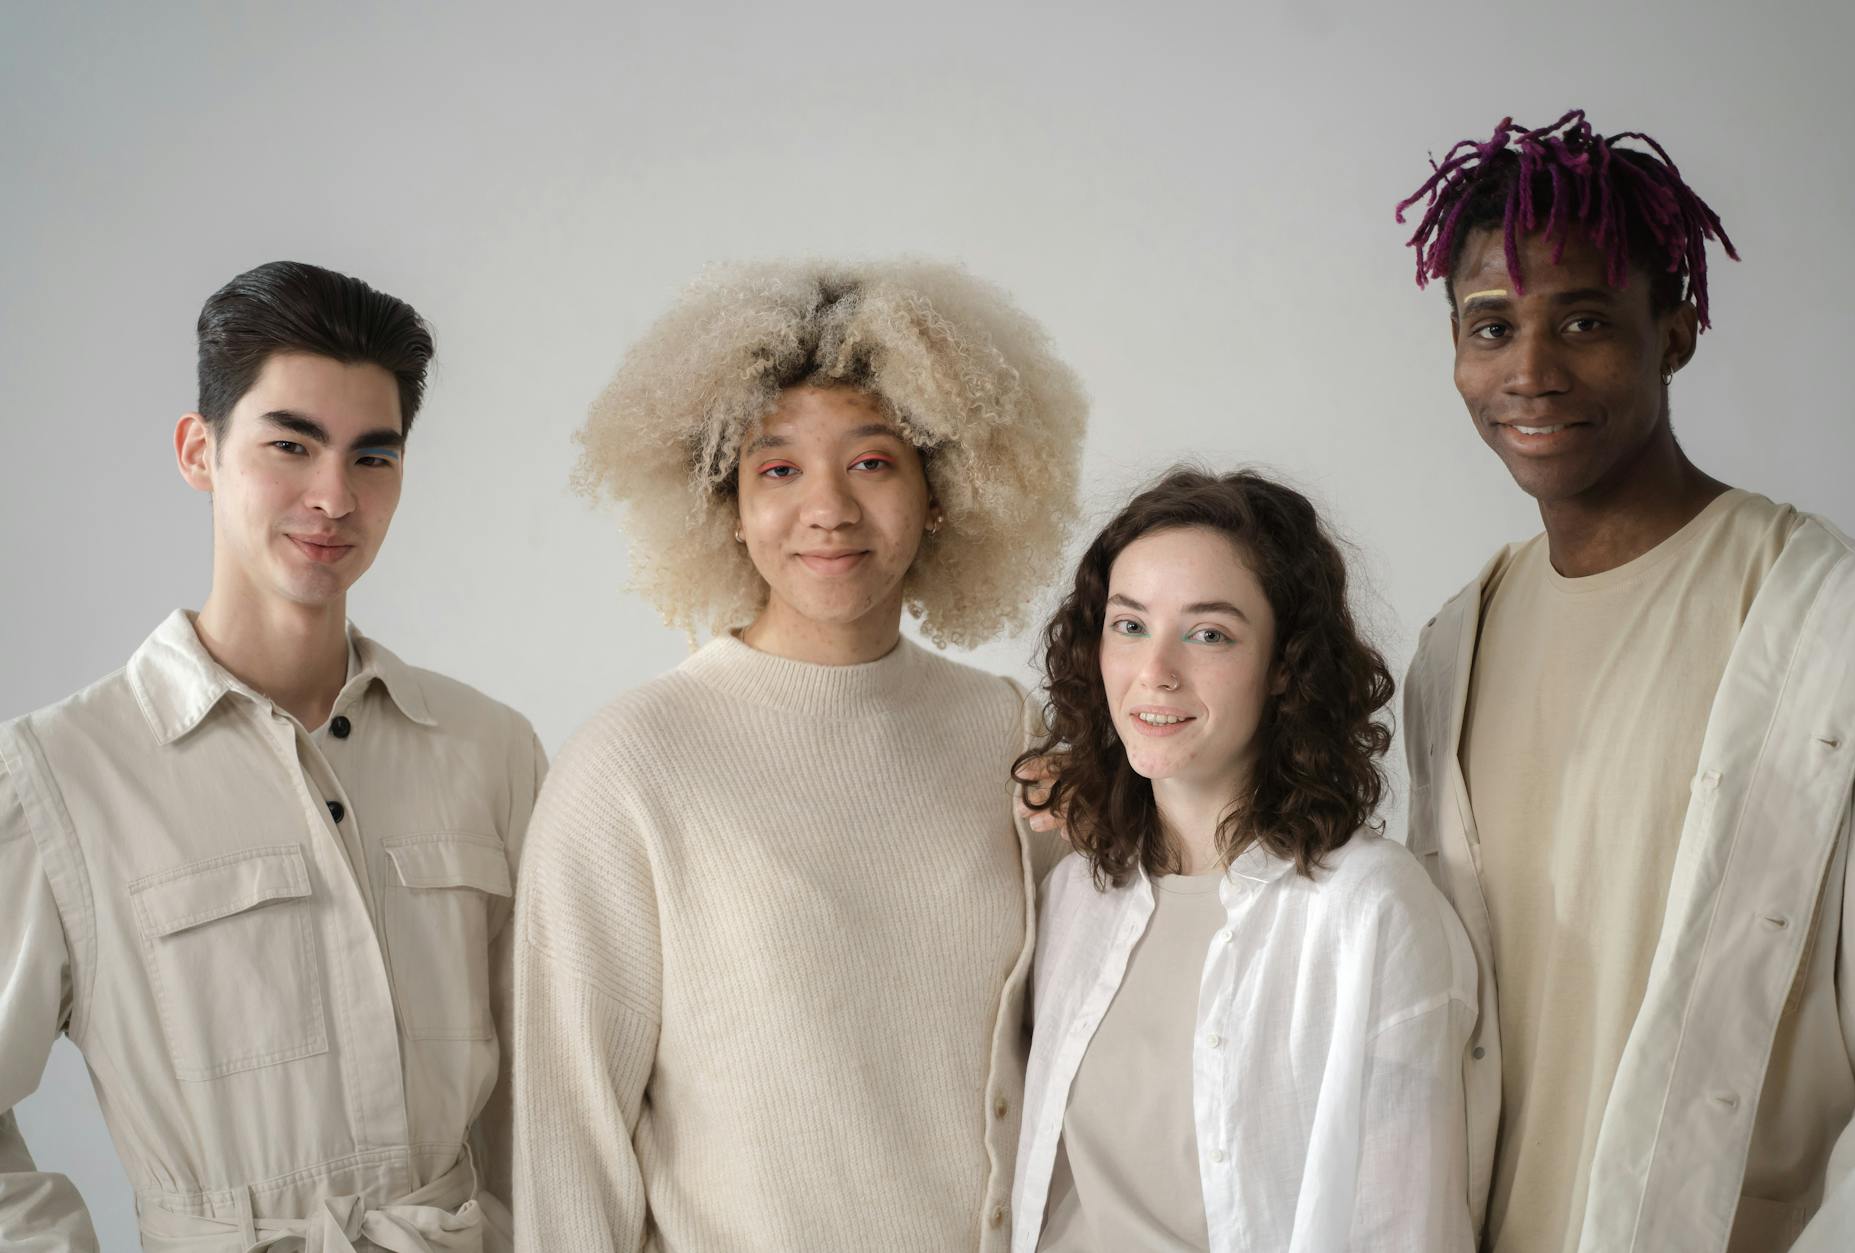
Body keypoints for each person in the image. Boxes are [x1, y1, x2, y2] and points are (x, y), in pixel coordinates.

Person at [510, 259, 1088, 1251]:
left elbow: (1072, 1044)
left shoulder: (1004, 731)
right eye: (776, 468)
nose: (827, 508)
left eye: (871, 462)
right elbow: (568, 1135)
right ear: (725, 505)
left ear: (940, 490)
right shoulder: (630, 765)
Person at [1396, 110, 1855, 1252]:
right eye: (1488, 325)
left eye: (1581, 320)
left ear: (1675, 330)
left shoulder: (1830, 625)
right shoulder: (1451, 646)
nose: (1528, 369)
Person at [0, 261, 544, 1252]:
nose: (332, 495)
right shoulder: (60, 777)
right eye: (291, 444)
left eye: (371, 456)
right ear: (197, 450)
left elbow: (551, 1090)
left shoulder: (488, 750)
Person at [1011, 466, 1476, 1252]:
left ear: (1286, 665)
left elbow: (1403, 1225)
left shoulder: (1370, 908)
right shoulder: (1077, 895)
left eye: (1209, 633)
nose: (1155, 671)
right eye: (1129, 625)